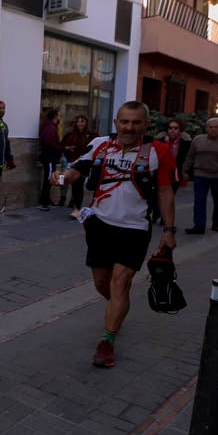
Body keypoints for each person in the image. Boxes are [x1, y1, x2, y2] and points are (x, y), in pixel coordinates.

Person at [51, 101, 177, 368]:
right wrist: (61, 178)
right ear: (116, 123)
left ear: (146, 124)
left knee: (120, 282)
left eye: (136, 122)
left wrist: (168, 230)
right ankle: (117, 308)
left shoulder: (159, 151)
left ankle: (107, 341)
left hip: (135, 229)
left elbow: (166, 191)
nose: (129, 127)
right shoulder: (100, 145)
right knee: (102, 283)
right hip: (100, 226)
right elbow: (75, 171)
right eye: (124, 122)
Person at [60, 114, 96, 219]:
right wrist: (68, 149)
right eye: (78, 122)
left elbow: (98, 146)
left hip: (86, 163)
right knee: (75, 184)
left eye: (82, 121)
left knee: (84, 185)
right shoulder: (70, 135)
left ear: (86, 123)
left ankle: (82, 207)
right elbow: (62, 146)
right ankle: (74, 206)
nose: (80, 124)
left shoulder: (92, 135)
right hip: (73, 163)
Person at [38, 107, 63, 211]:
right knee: (48, 178)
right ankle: (44, 201)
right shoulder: (50, 127)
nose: (60, 117)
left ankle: (46, 199)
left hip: (50, 157)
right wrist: (60, 147)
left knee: (49, 178)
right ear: (55, 116)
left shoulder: (51, 126)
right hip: (49, 157)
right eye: (59, 115)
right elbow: (49, 142)